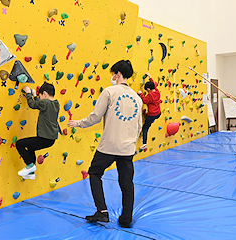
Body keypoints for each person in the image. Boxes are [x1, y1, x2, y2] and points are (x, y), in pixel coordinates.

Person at [67, 60, 143, 228]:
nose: (112, 77)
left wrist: (78, 123)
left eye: (113, 74)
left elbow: (95, 116)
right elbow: (139, 126)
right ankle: (126, 219)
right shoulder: (138, 98)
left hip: (109, 145)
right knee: (126, 183)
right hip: (127, 148)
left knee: (94, 173)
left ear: (117, 74)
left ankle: (102, 212)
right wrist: (131, 142)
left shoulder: (109, 92)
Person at [16, 82, 59, 180]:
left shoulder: (45, 103)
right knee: (31, 148)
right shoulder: (56, 104)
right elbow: (41, 104)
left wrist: (28, 93)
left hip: (44, 138)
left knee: (19, 144)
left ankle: (30, 166)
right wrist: (36, 96)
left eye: (41, 96)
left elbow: (32, 104)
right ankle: (31, 172)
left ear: (45, 94)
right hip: (50, 139)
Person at [138, 72, 161, 151]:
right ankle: (148, 120)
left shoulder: (150, 95)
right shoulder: (157, 91)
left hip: (151, 114)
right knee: (149, 121)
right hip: (158, 113)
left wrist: (140, 94)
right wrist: (150, 77)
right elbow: (154, 84)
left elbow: (145, 101)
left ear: (148, 89)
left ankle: (144, 144)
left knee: (145, 128)